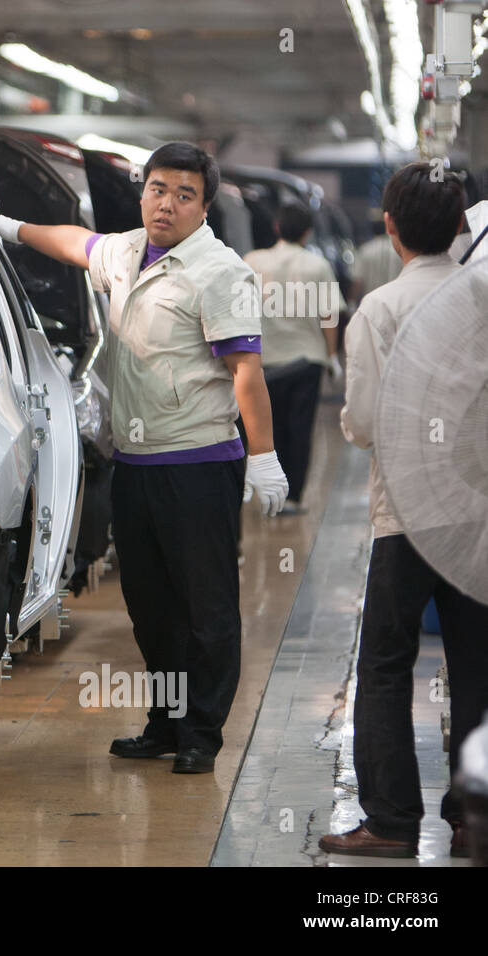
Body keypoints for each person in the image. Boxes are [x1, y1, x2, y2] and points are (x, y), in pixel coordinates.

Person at [0, 142, 288, 774]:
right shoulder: (124, 251)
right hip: (137, 463)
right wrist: (3, 224)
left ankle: (201, 732)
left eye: (183, 194)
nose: (166, 203)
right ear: (143, 191)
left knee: (205, 606)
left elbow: (246, 372)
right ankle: (164, 722)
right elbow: (73, 242)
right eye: (157, 189)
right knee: (150, 606)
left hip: (199, 463)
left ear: (203, 206)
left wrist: (264, 455)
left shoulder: (220, 272)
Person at [320, 163, 488, 859]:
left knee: (386, 665)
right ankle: (472, 818)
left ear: (389, 227)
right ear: (461, 225)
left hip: (407, 517)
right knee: (478, 664)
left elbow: (360, 423)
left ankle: (390, 821)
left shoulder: (380, 311)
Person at [242, 202, 340, 513]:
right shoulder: (317, 265)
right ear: (308, 232)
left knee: (267, 430)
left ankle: (271, 495)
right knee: (299, 430)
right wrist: (332, 355)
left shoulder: (251, 261)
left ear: (276, 228)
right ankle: (294, 497)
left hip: (262, 362)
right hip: (306, 360)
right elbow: (329, 315)